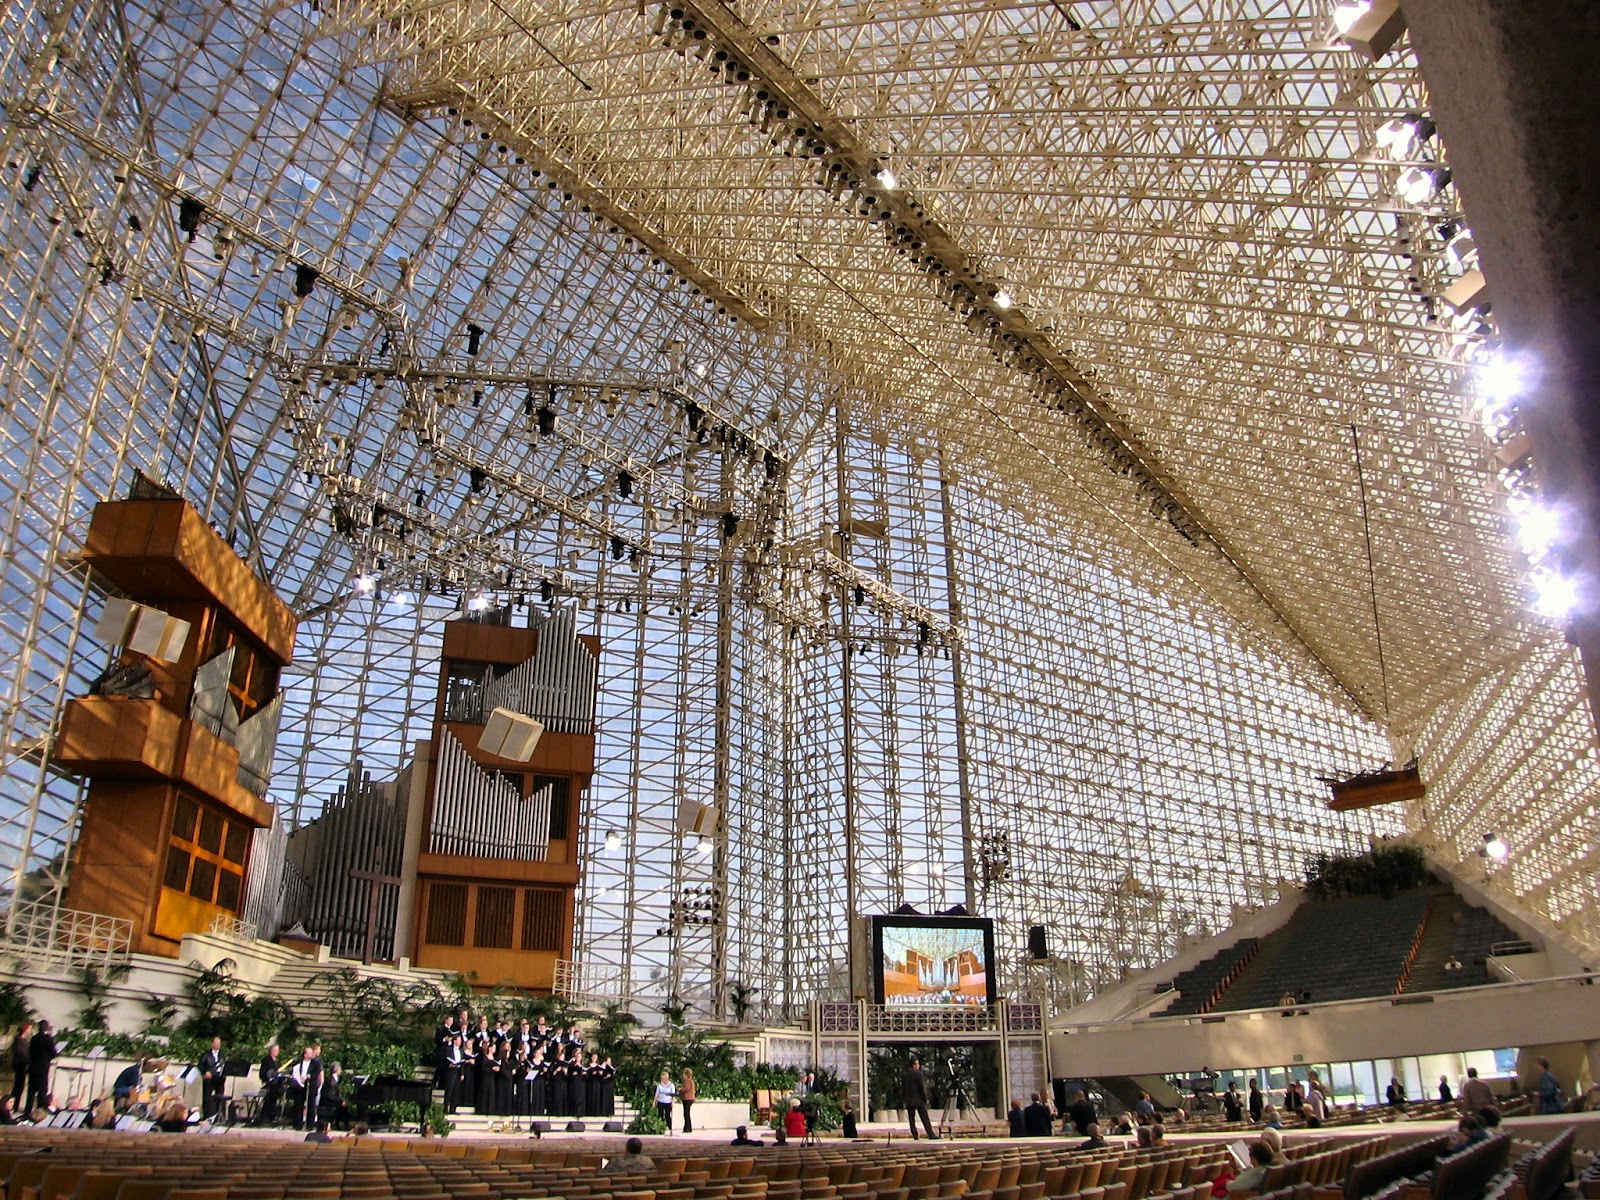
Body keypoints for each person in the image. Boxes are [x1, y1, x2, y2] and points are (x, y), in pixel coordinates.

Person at [25, 1019, 55, 1116]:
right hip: (43, 1068)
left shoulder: (34, 1038)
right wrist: (48, 1058)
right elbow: (53, 1052)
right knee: (42, 1092)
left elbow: (30, 1052)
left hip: (33, 1068)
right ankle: (39, 1112)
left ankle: (27, 1112)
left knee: (31, 1092)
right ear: (46, 1028)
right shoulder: (48, 1038)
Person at [901, 1058, 936, 1140]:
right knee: (924, 1117)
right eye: (917, 1064)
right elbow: (921, 1087)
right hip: (918, 1099)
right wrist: (925, 1098)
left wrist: (904, 1100)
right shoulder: (918, 1074)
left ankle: (915, 1134)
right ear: (913, 1065)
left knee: (911, 1118)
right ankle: (930, 1134)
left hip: (909, 1100)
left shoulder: (904, 1075)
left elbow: (903, 1089)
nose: (918, 1065)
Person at [199, 1036, 226, 1121]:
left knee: (220, 1096)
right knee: (207, 1097)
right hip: (209, 1078)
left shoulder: (222, 1054)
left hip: (219, 1078)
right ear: (212, 1044)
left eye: (219, 1043)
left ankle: (220, 1116)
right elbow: (200, 1065)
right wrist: (205, 1072)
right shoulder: (206, 1054)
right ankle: (207, 1116)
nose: (218, 1045)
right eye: (216, 1043)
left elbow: (225, 1064)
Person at [9, 1020, 31, 1110]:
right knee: (18, 1087)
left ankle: (15, 1105)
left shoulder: (23, 1040)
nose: (30, 1031)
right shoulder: (18, 1040)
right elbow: (22, 1053)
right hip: (19, 1065)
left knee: (20, 1087)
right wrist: (29, 1058)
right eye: (29, 1029)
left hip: (22, 1065)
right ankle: (14, 1106)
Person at [680, 1066, 697, 1133]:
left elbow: (686, 1088)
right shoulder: (691, 1080)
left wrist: (680, 1089)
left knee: (686, 1114)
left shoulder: (687, 1080)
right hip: (690, 1098)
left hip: (687, 1098)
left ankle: (687, 1128)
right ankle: (687, 1127)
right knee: (687, 1113)